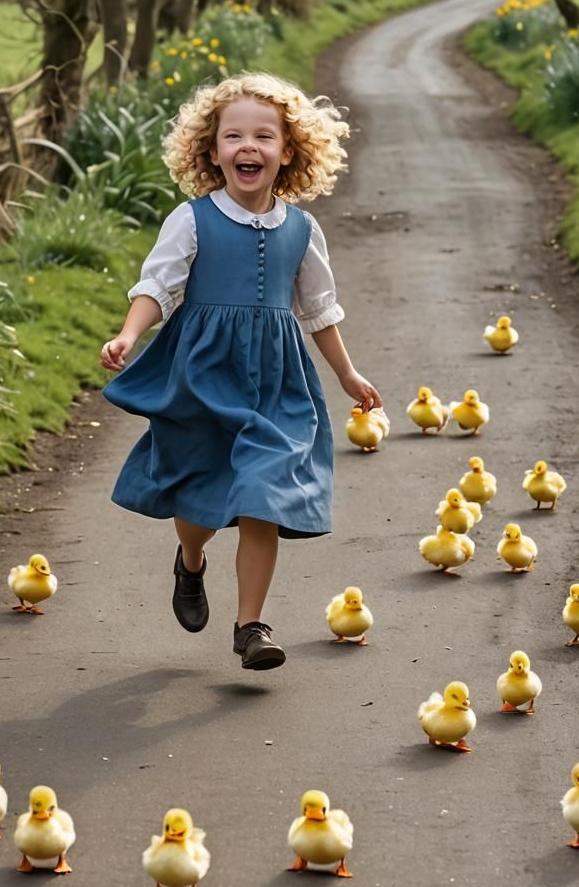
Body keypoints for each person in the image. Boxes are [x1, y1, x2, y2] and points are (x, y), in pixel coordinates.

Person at [100, 71, 382, 670]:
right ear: (212, 151)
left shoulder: (302, 230)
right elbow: (158, 286)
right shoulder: (191, 219)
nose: (247, 146)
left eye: (263, 136)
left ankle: (250, 625)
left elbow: (318, 310)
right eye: (233, 137)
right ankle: (191, 561)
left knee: (263, 492)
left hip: (276, 382)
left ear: (288, 152)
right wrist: (128, 334)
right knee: (198, 499)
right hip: (202, 375)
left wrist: (348, 375)